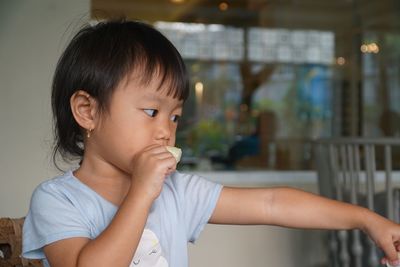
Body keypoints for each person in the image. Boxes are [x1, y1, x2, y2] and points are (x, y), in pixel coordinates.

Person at [22, 19, 400, 267]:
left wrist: (366, 220)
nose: (165, 130)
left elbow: (272, 203)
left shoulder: (176, 191)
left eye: (175, 117)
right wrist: (141, 191)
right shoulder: (57, 200)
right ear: (87, 111)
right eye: (151, 111)